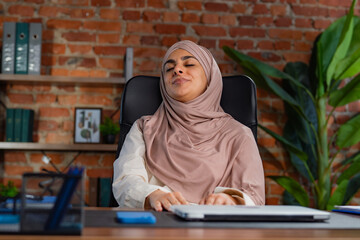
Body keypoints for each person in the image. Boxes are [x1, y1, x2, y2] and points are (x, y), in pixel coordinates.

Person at [113, 40, 265, 212]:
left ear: (210, 76)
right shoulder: (144, 128)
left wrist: (230, 200)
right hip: (156, 224)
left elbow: (253, 196)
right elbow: (125, 180)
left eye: (189, 64)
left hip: (215, 230)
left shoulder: (239, 135)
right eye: (169, 69)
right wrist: (151, 195)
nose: (177, 70)